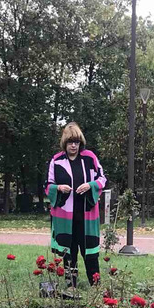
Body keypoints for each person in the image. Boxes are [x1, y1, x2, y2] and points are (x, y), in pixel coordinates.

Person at [45, 122, 108, 288]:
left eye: (77, 142)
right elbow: (47, 186)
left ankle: (95, 284)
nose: (74, 146)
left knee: (90, 252)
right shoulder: (56, 160)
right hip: (65, 217)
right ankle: (70, 286)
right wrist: (58, 188)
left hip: (87, 215)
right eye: (70, 142)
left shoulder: (90, 158)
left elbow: (102, 179)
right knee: (68, 252)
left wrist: (90, 185)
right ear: (64, 143)